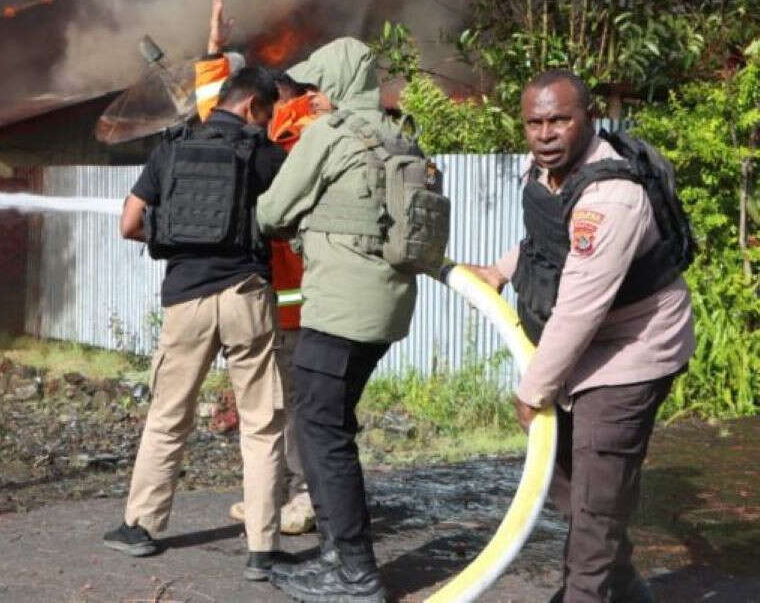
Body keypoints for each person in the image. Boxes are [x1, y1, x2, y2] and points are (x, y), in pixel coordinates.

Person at [465, 70, 695, 603]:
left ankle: (585, 592)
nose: (546, 133)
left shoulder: (610, 199)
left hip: (630, 352)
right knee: (568, 482)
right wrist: (499, 271)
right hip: (582, 350)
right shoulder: (547, 172)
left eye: (559, 120)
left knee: (592, 504)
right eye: (534, 122)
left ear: (588, 118)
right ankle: (629, 593)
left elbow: (580, 307)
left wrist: (533, 388)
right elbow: (545, 241)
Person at [102, 56, 291, 582]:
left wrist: (172, 238)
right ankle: (263, 548)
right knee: (261, 423)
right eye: (267, 115)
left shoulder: (172, 149)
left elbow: (130, 223)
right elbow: (288, 219)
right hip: (246, 297)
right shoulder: (266, 156)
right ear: (253, 106)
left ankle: (140, 528)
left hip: (184, 300)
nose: (267, 124)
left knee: (168, 414)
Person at [256, 38, 420, 603]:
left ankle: (352, 572)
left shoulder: (330, 134)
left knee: (321, 432)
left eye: (315, 86)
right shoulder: (400, 135)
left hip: (340, 308)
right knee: (328, 424)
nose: (310, 97)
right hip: (388, 306)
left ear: (336, 87)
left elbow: (272, 210)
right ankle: (336, 558)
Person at [229, 70, 334, 536]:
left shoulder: (298, 136)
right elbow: (223, 108)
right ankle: (274, 494)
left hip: (296, 306)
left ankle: (305, 499)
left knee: (294, 408)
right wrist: (213, 53)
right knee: (276, 406)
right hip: (281, 303)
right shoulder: (301, 134)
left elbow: (225, 111)